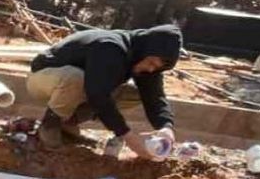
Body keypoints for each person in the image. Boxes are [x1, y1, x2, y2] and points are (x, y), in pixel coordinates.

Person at [27, 24, 182, 158]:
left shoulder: (144, 60)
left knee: (133, 94)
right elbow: (97, 94)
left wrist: (166, 127)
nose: (151, 68)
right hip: (43, 79)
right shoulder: (111, 47)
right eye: (151, 62)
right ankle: (50, 125)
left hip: (79, 86)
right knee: (78, 79)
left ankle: (68, 124)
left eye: (156, 67)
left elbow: (155, 98)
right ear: (145, 49)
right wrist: (127, 135)